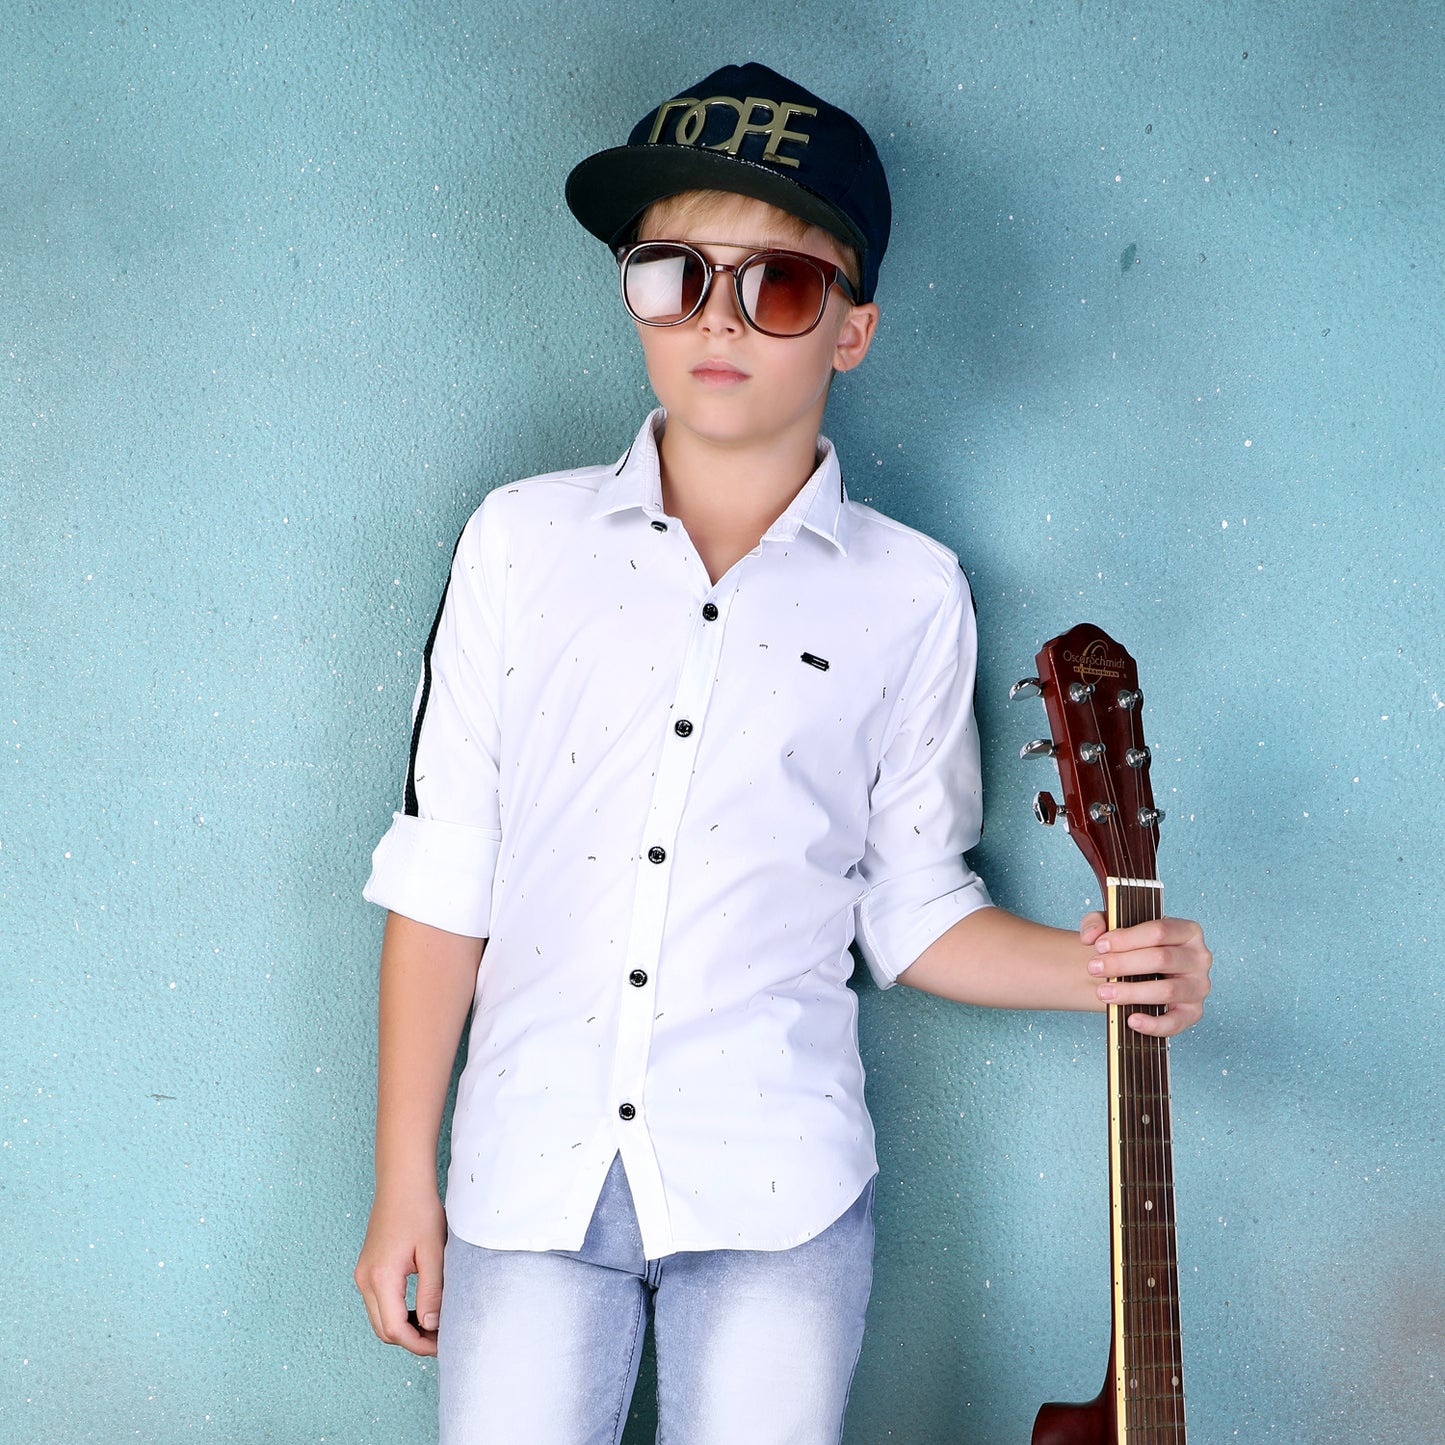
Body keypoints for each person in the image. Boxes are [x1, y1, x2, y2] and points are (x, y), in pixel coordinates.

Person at [353, 62, 1211, 1445]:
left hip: (778, 1191)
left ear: (852, 327)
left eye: (782, 286)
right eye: (673, 274)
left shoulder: (911, 595)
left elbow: (913, 905)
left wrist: (1109, 970)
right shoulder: (516, 542)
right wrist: (405, 1173)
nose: (719, 318)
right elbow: (448, 869)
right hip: (526, 1175)